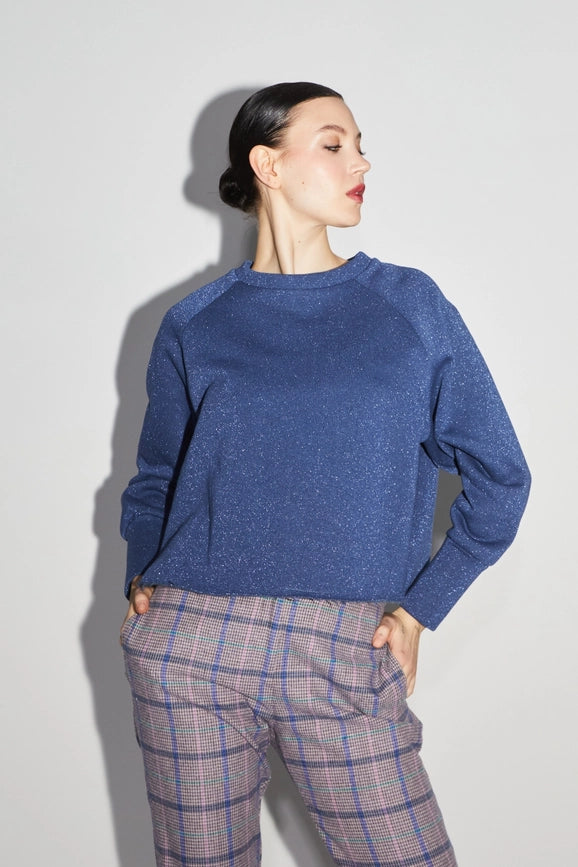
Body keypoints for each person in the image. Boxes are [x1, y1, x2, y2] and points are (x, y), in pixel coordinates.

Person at [120, 82, 530, 867]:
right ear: (268, 165)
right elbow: (157, 474)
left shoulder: (407, 305)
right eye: (335, 144)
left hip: (341, 647)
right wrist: (139, 571)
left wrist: (419, 610)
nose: (361, 163)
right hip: (189, 646)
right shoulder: (195, 322)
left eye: (360, 147)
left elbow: (500, 477)